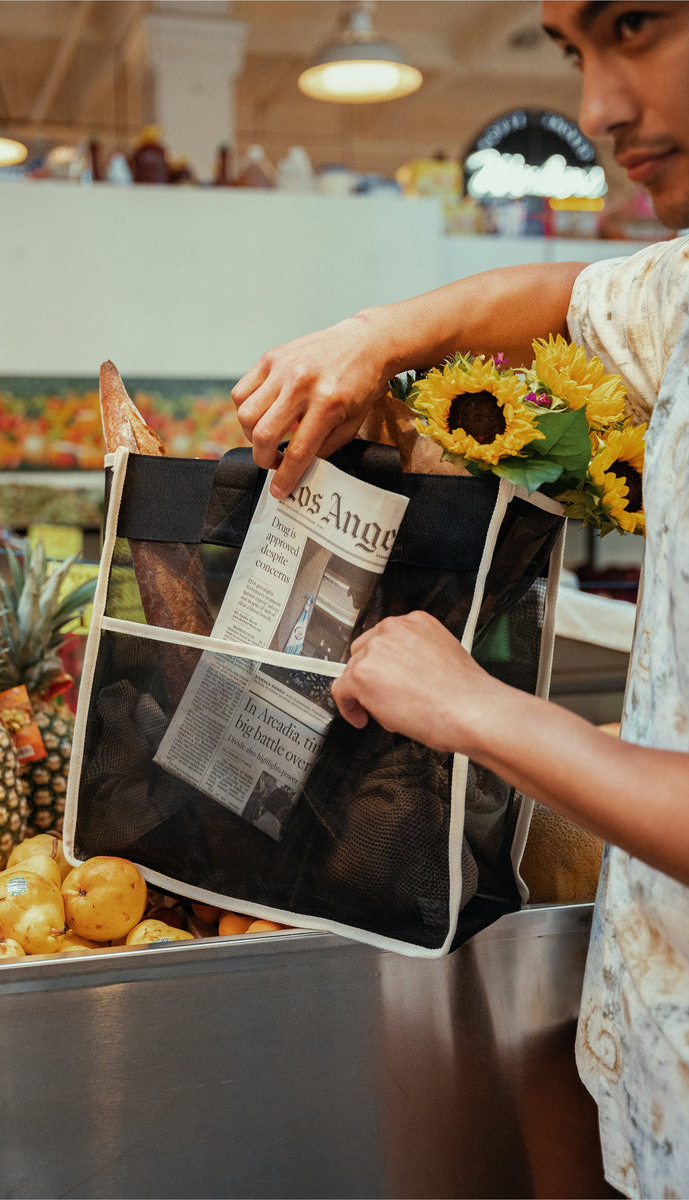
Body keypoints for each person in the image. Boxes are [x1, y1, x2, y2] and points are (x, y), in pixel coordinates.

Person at [231, 4, 689, 1196]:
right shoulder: (685, 291)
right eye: (571, 53)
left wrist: (470, 705)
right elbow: (566, 291)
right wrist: (375, 334)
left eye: (635, 25)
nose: (597, 110)